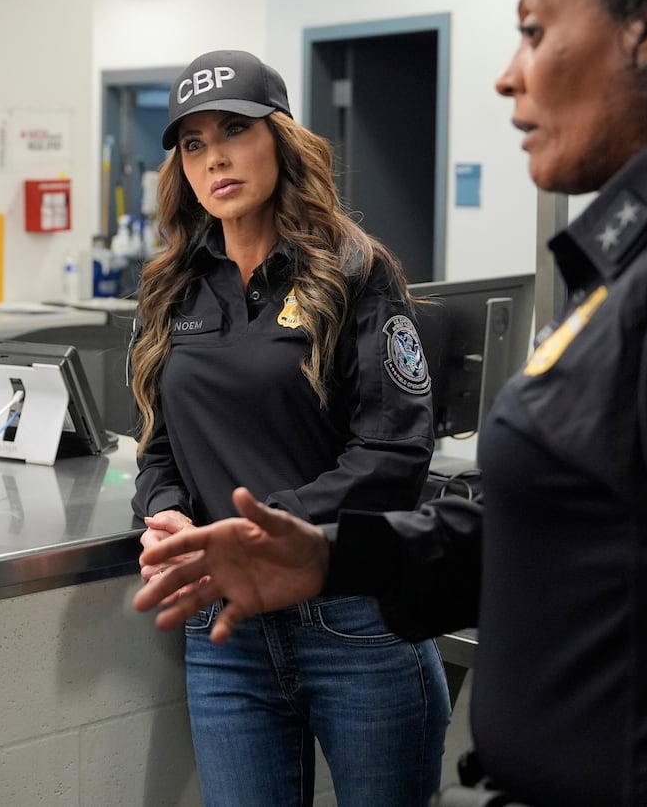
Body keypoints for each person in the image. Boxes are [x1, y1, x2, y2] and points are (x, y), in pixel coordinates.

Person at [133, 0, 647, 807]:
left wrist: (328, 553)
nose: (507, 73)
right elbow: (560, 521)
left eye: (533, 30)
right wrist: (326, 553)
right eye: (192, 142)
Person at [130, 48, 450, 807]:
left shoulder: (352, 272)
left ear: (279, 137)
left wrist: (266, 530)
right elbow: (158, 445)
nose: (215, 158)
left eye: (233, 130)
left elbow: (395, 452)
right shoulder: (170, 288)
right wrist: (163, 508)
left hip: (353, 618)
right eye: (194, 143)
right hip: (226, 632)